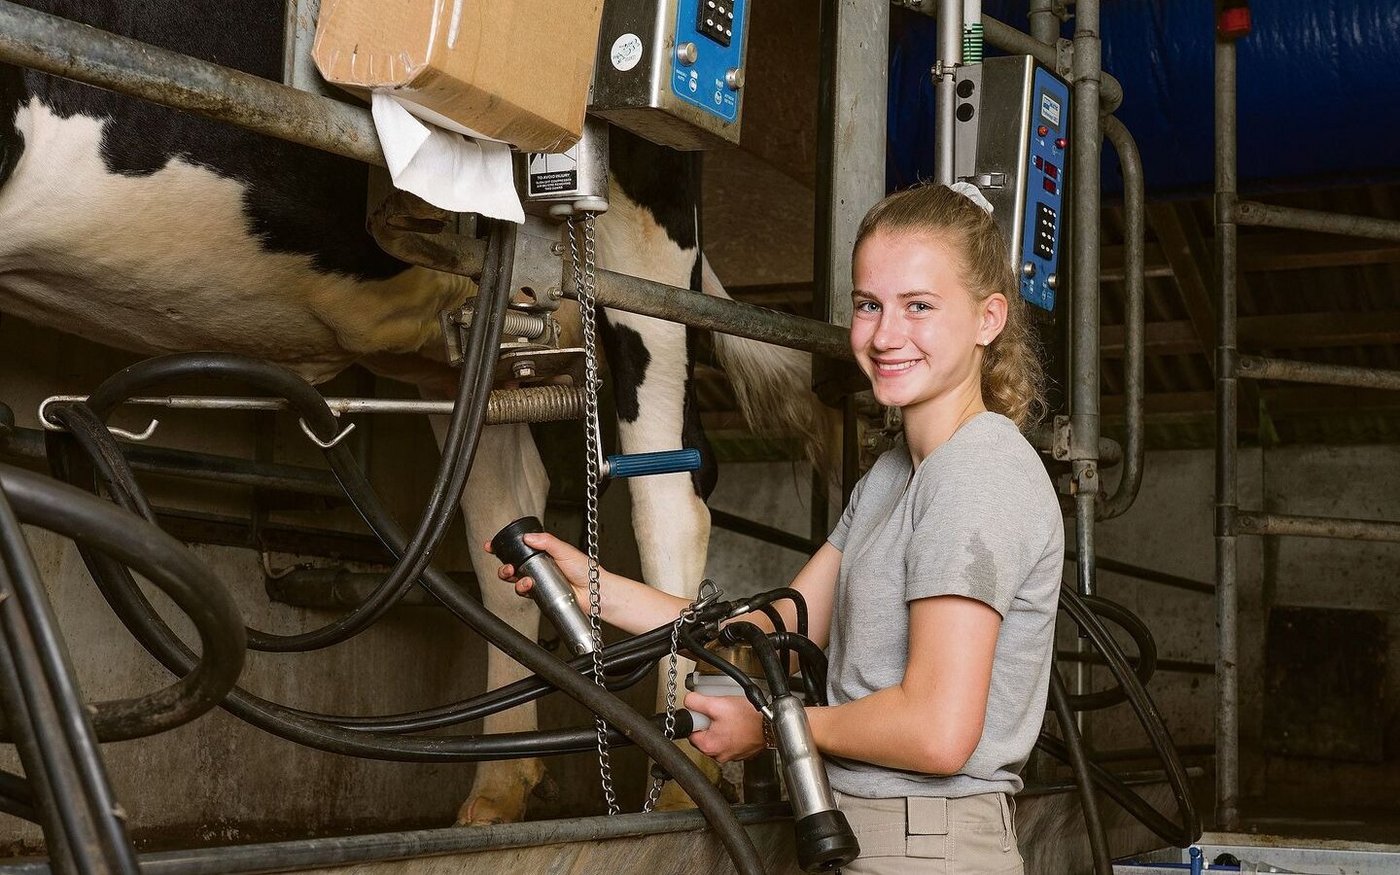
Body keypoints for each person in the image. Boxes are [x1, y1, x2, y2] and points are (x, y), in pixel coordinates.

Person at [489, 183, 1064, 873]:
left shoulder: (976, 473)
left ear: (987, 318)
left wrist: (766, 730)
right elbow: (773, 634)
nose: (884, 335)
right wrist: (594, 586)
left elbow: (937, 730)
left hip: (929, 846)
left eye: (919, 306)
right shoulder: (895, 476)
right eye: (868, 305)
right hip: (864, 828)